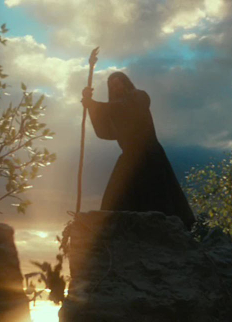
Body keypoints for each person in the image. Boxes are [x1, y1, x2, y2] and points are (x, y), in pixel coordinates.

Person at [81, 72, 196, 229]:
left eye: (118, 83)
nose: (116, 88)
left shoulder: (139, 97)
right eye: (112, 86)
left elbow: (126, 108)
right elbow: (105, 132)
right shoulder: (114, 109)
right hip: (129, 156)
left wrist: (94, 104)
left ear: (126, 83)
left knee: (157, 197)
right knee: (115, 197)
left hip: (149, 154)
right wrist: (90, 106)